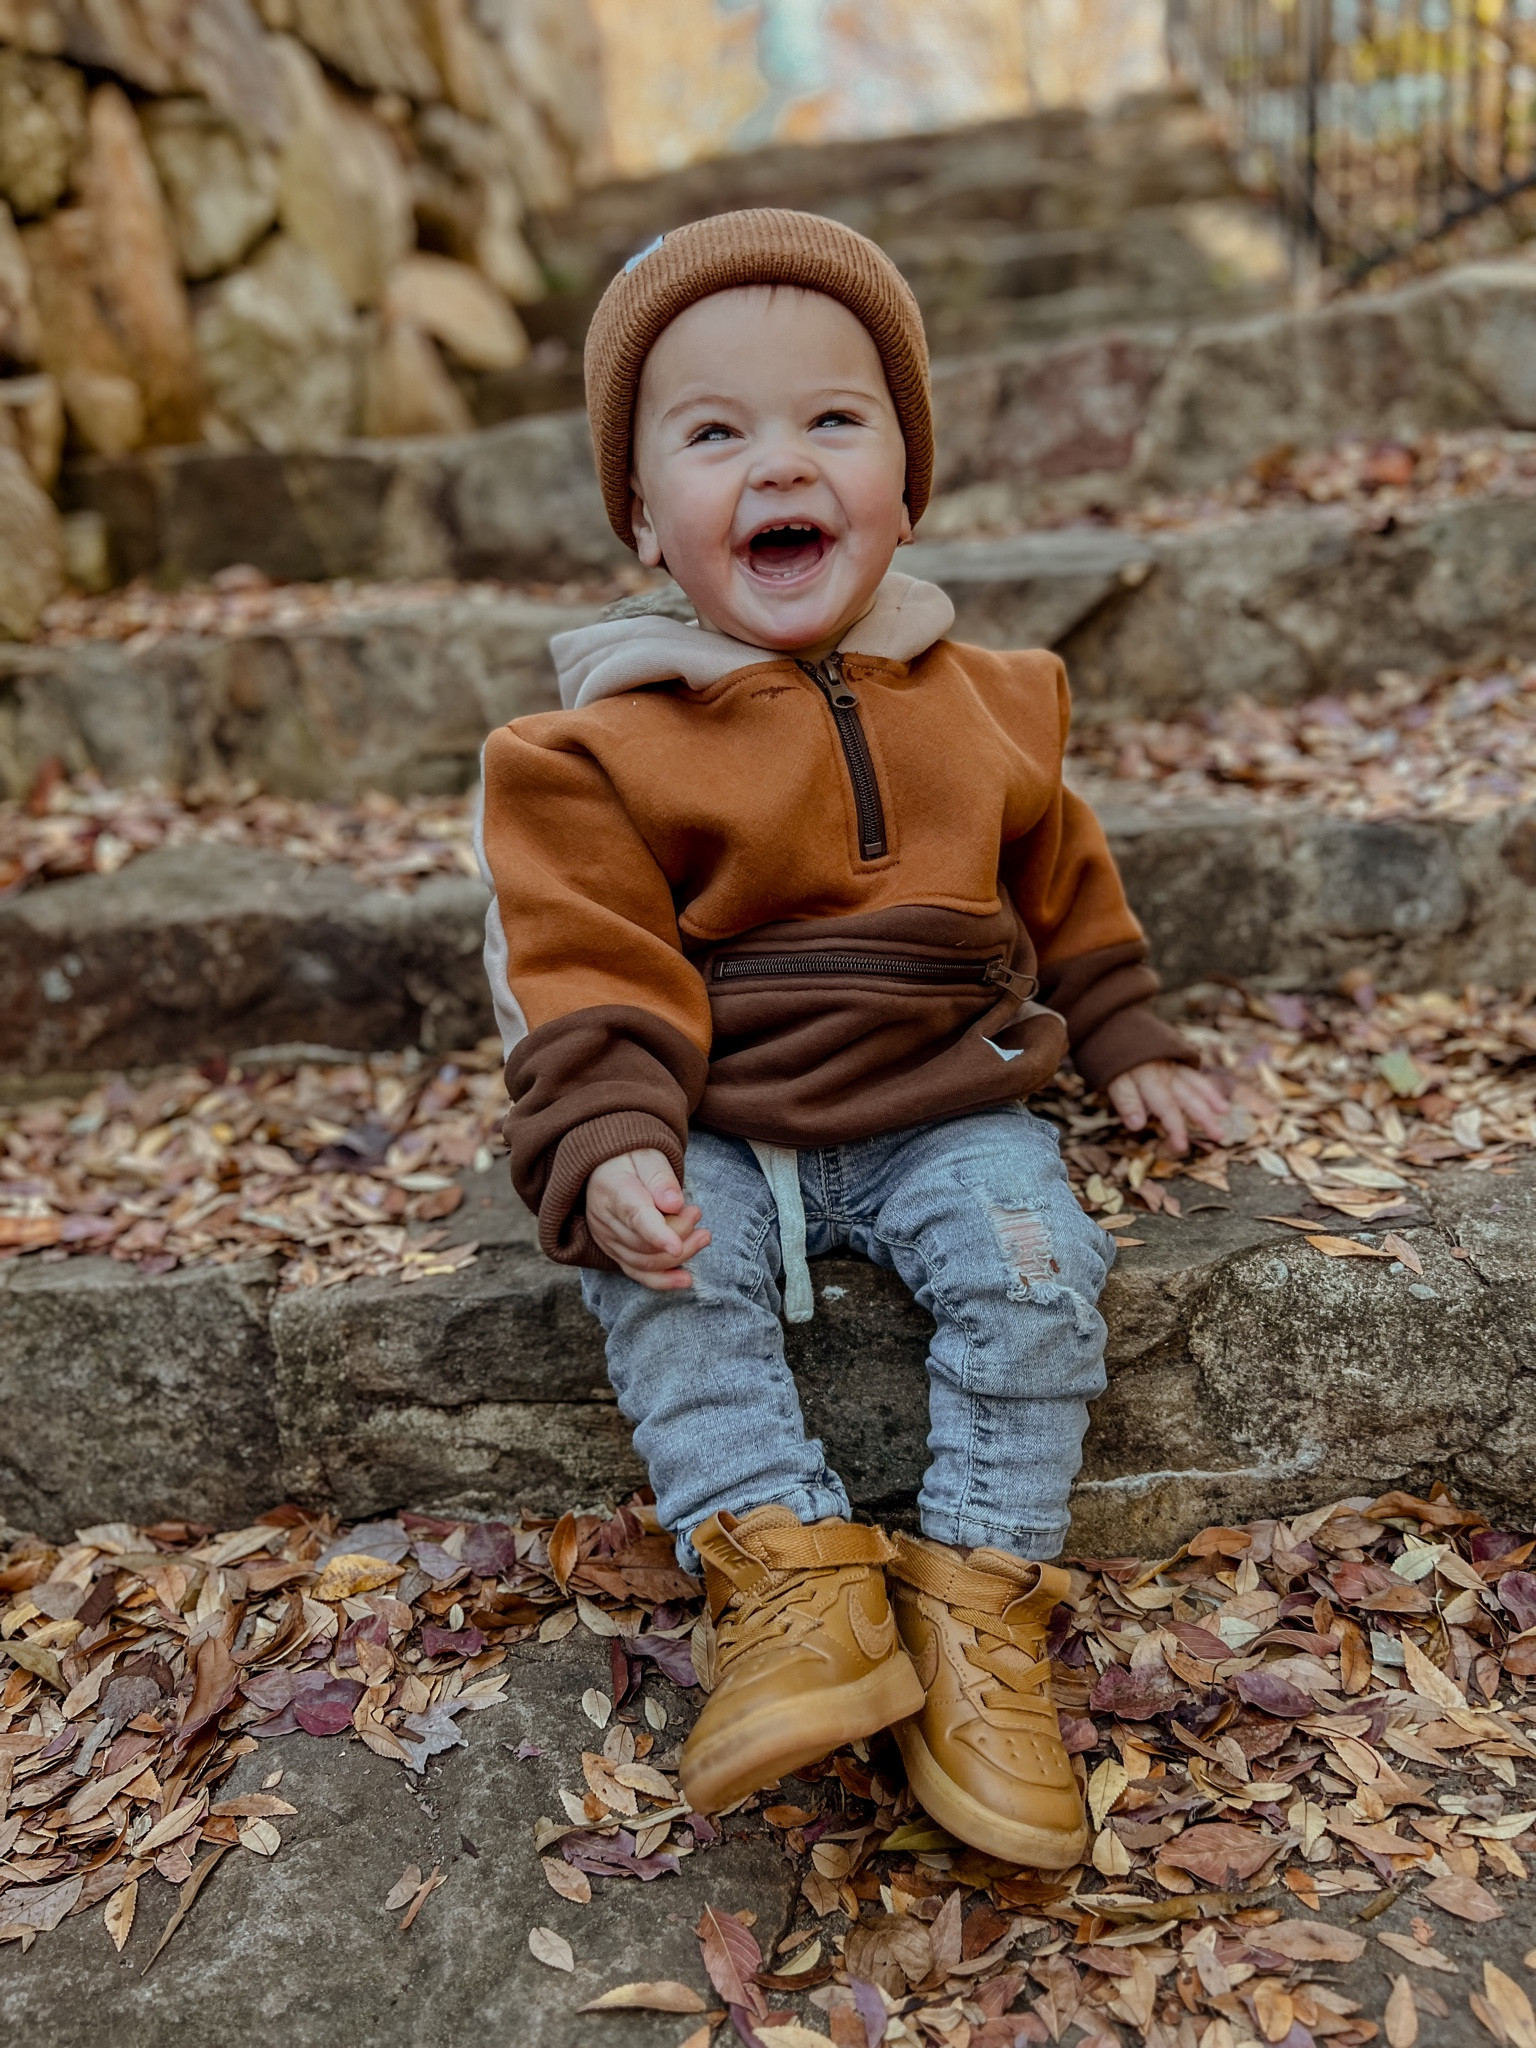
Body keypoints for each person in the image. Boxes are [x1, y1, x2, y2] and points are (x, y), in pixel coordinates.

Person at [478, 210, 1227, 1867]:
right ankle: (792, 1581)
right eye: (714, 432)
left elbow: (1069, 886)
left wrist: (1127, 1034)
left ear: (905, 480)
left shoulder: (997, 700)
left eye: (833, 420)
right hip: (723, 1112)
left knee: (1041, 1274)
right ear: (640, 515)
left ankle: (976, 1610)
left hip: (952, 1105)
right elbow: (581, 960)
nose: (778, 463)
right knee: (670, 1274)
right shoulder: (585, 752)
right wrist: (610, 1147)